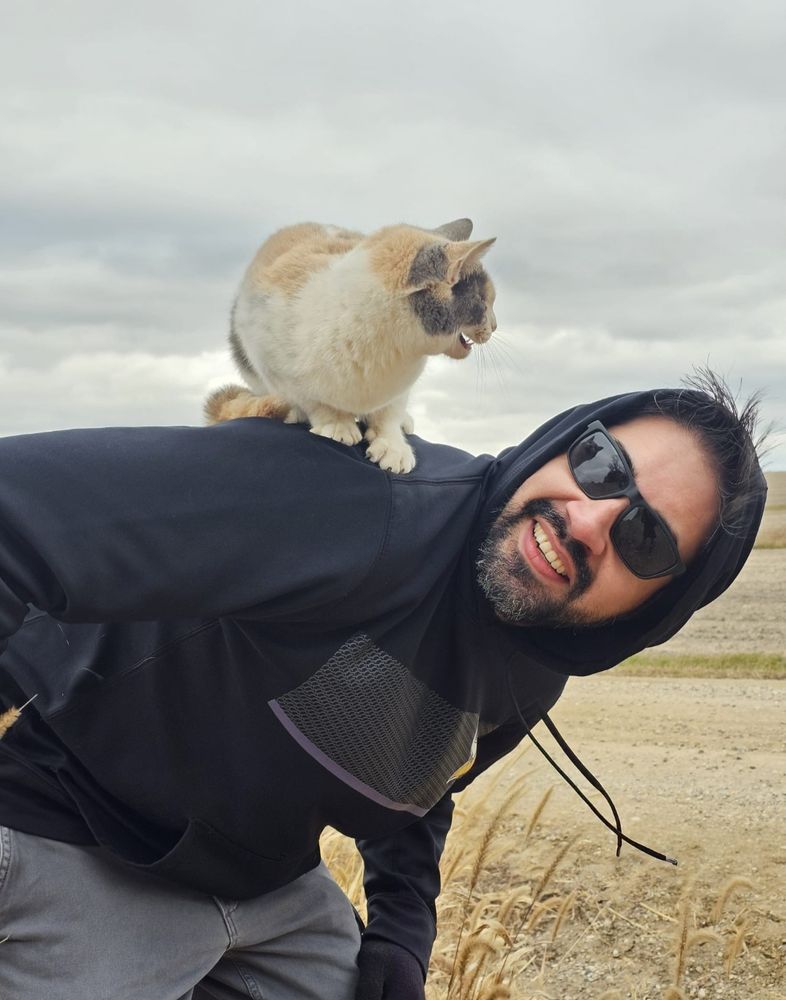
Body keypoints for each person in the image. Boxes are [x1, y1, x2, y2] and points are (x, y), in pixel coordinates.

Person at [0, 371, 765, 1000]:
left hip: (270, 894)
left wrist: (401, 936)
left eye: (646, 539)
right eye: (603, 465)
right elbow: (17, 514)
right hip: (69, 829)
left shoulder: (537, 664)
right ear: (563, 442)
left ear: (654, 609)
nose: (590, 521)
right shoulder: (358, 497)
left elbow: (420, 782)